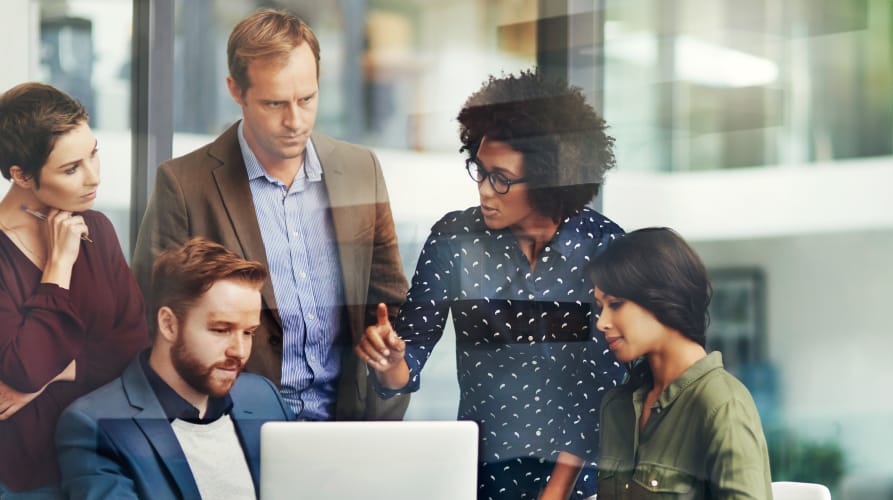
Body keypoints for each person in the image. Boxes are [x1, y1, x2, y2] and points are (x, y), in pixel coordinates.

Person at [131, 8, 410, 421]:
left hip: (347, 429)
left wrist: (390, 360)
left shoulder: (359, 170)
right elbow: (153, 325)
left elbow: (390, 306)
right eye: (274, 103)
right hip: (232, 432)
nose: (295, 121)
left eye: (307, 99)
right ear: (235, 90)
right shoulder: (184, 185)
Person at [356, 70, 624, 499]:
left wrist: (556, 492)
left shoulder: (603, 247)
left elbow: (605, 390)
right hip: (481, 479)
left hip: (580, 486)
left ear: (548, 178)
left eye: (500, 178)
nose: (484, 190)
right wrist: (390, 365)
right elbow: (411, 352)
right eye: (478, 171)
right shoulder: (454, 240)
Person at [57, 237, 293, 500]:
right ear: (169, 324)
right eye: (221, 330)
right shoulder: (94, 424)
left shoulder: (264, 398)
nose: (239, 351)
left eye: (249, 332)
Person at [0, 82, 149, 497]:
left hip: (107, 458)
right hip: (26, 476)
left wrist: (56, 373)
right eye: (71, 169)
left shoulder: (97, 229)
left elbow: (134, 348)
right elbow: (22, 368)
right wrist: (58, 266)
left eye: (93, 153)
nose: (94, 177)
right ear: (22, 175)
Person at [588, 228, 772, 499]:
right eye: (600, 307)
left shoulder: (722, 406)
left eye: (615, 304)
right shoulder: (617, 407)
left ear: (662, 299)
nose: (601, 322)